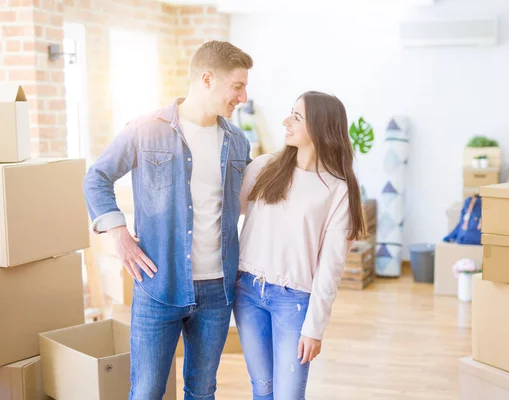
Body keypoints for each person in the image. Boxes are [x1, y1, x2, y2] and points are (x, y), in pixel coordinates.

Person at [82, 40, 253, 400]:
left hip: (217, 290)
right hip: (159, 285)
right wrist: (120, 235)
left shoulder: (237, 142)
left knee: (202, 390)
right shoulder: (146, 129)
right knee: (146, 391)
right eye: (237, 86)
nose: (243, 96)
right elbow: (97, 177)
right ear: (207, 79)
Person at [233, 91, 366, 399]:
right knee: (262, 388)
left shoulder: (337, 190)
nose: (285, 121)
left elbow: (331, 267)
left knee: (288, 395)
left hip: (293, 302)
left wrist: (314, 327)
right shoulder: (265, 167)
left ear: (320, 127)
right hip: (248, 291)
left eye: (296, 116)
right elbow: (225, 213)